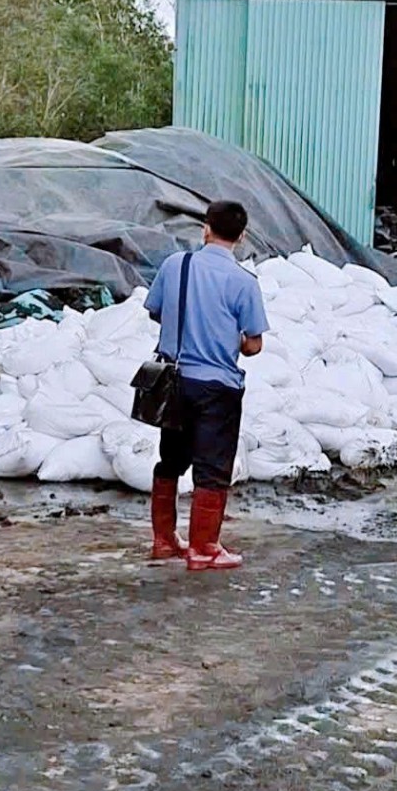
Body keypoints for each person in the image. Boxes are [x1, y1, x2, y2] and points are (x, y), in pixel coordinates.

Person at [143, 200, 269, 572]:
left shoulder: (174, 266)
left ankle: (164, 541)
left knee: (170, 461)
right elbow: (255, 344)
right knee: (212, 469)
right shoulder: (244, 282)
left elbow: (155, 310)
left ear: (206, 229)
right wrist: (231, 339)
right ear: (242, 236)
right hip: (217, 387)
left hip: (173, 382)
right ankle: (204, 549)